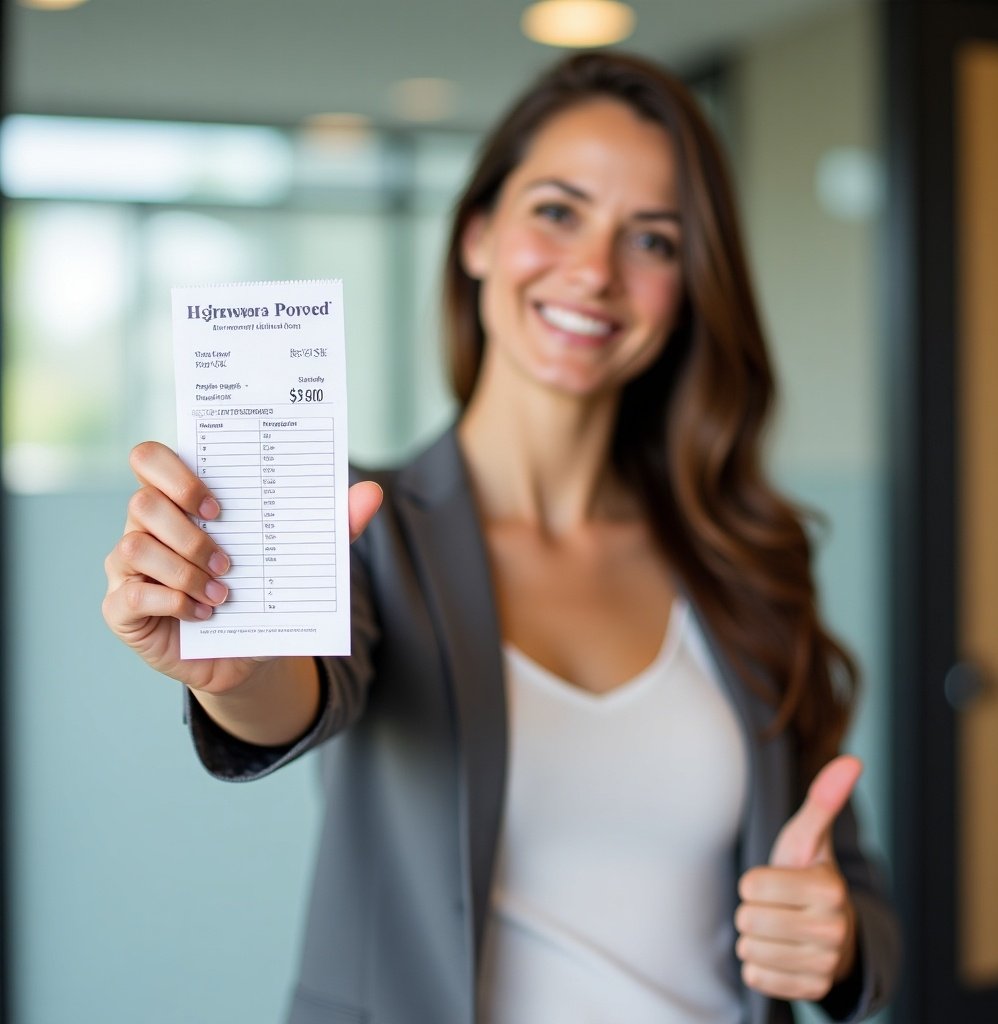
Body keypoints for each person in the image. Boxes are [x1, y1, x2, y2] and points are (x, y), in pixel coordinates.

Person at [103, 50, 899, 1024]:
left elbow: (845, 873)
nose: (595, 271)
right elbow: (294, 695)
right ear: (478, 233)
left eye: (651, 239)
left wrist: (839, 936)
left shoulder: (745, 554)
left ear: (689, 284)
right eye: (557, 212)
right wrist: (237, 660)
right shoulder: (360, 523)